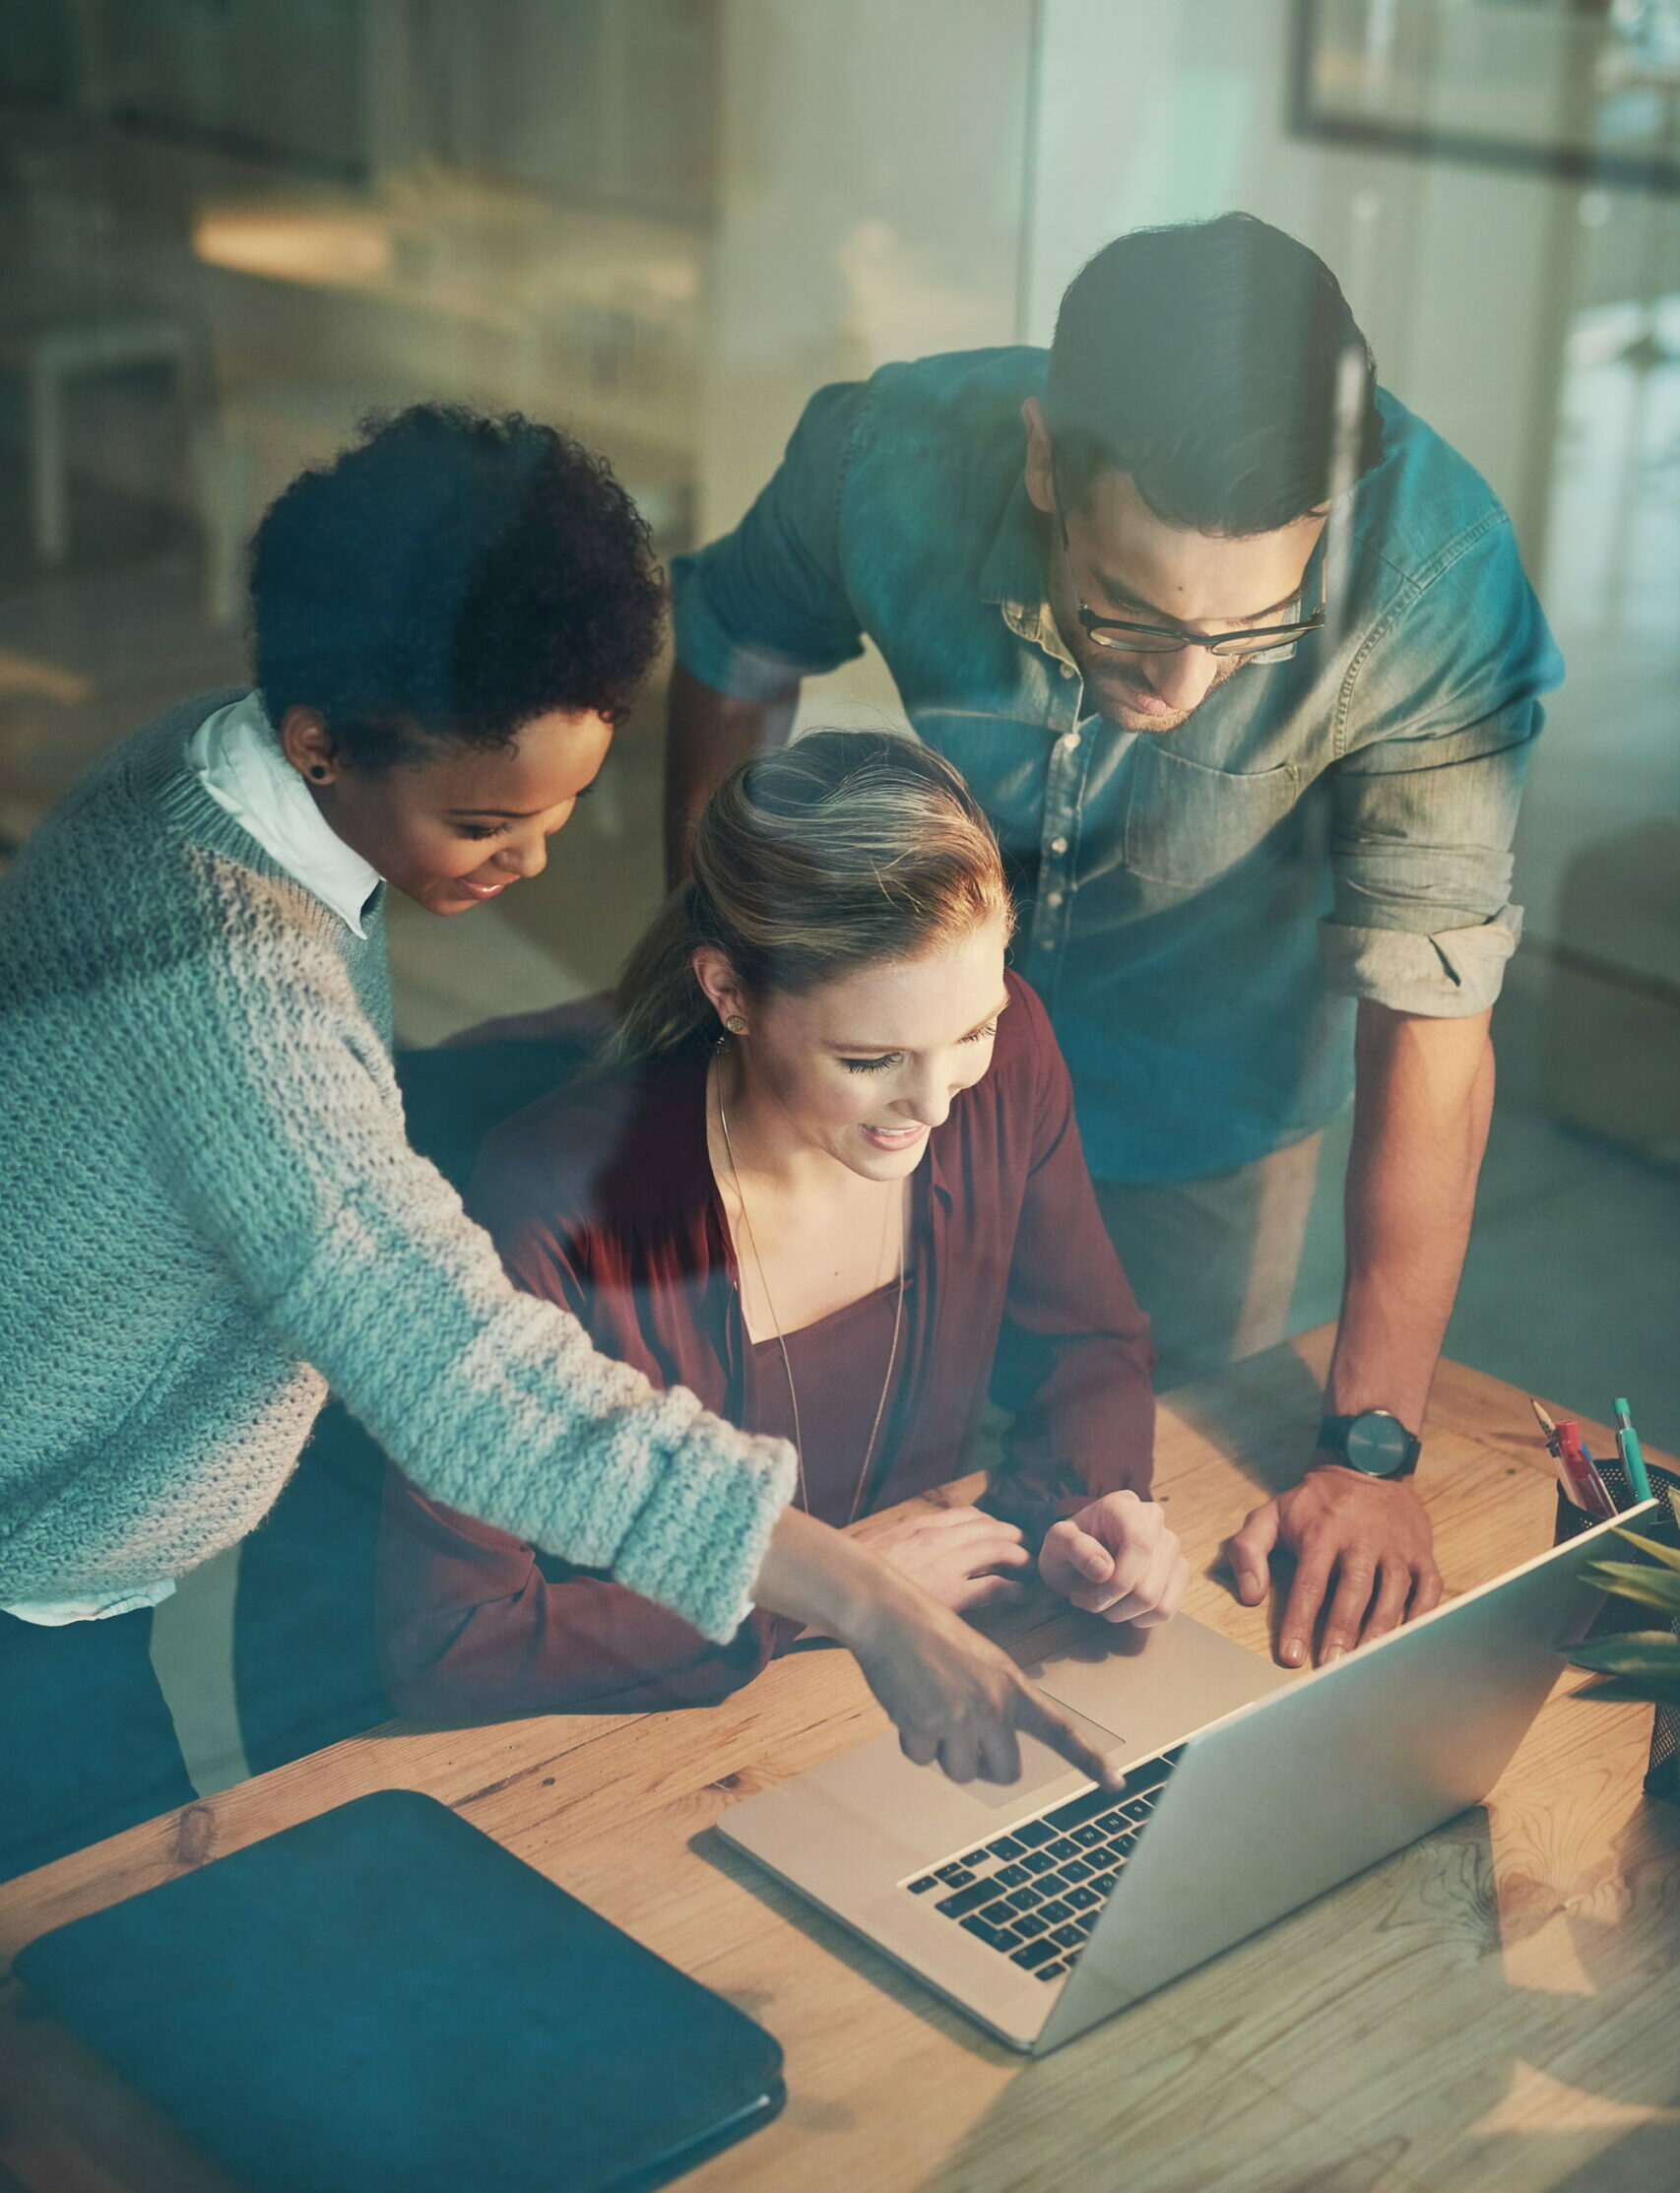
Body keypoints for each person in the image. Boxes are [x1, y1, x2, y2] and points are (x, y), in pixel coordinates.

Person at [0, 407, 1108, 1883]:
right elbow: (463, 1371)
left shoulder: (227, 759)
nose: (530, 859)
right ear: (324, 744)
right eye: (482, 820)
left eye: (566, 807)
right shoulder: (225, 970)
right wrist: (855, 1595)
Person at [662, 213, 1564, 1671]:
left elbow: (1433, 1016)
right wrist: (717, 973)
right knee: (846, 1519)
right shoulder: (890, 457)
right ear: (1042, 463)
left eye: (1250, 636)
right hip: (908, 1064)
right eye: (1126, 615)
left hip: (1205, 1097)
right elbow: (735, 637)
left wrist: (1372, 1446)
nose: (1180, 684)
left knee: (1135, 1533)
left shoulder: (1433, 582)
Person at [379, 732, 1182, 1721]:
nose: (933, 1104)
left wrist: (1083, 1507)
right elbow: (456, 1635)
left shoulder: (1007, 1057)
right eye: (867, 1058)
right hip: (650, 1736)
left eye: (967, 1030)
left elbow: (1089, 1349)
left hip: (902, 1674)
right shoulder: (551, 1201)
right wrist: (823, 1596)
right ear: (728, 993)